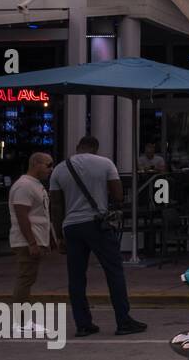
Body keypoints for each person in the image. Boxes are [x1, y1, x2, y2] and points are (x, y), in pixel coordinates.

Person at [49, 136, 146, 337]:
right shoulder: (105, 163)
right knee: (114, 271)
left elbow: (56, 205)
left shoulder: (59, 169)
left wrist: (58, 235)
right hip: (96, 225)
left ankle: (83, 324)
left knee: (76, 277)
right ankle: (123, 320)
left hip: (71, 227)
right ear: (95, 148)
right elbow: (118, 195)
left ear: (77, 148)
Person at [9, 152, 53, 302]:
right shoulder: (24, 186)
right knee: (25, 279)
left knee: (28, 279)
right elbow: (22, 216)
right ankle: (21, 320)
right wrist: (32, 243)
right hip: (26, 242)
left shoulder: (35, 185)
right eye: (48, 165)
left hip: (34, 240)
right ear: (36, 164)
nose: (51, 169)